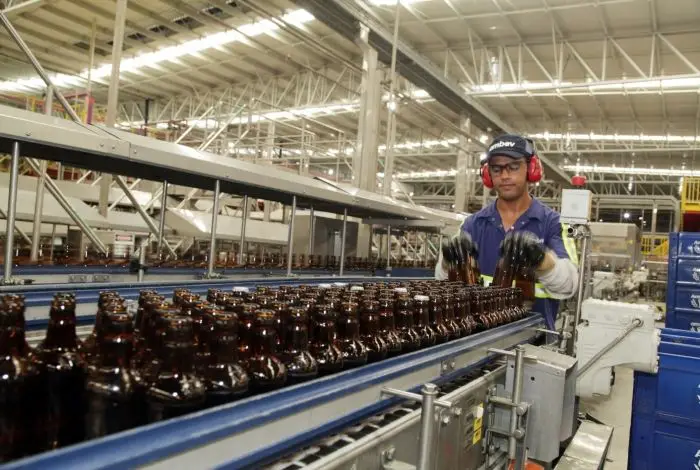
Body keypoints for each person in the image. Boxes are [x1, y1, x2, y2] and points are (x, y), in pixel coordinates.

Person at [435, 134, 579, 330]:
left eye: (513, 167)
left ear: (531, 169)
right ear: (488, 175)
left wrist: (541, 260)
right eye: (496, 169)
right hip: (481, 335)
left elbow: (570, 286)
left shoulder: (553, 223)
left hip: (534, 338)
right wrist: (447, 263)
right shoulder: (472, 224)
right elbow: (442, 282)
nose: (504, 176)